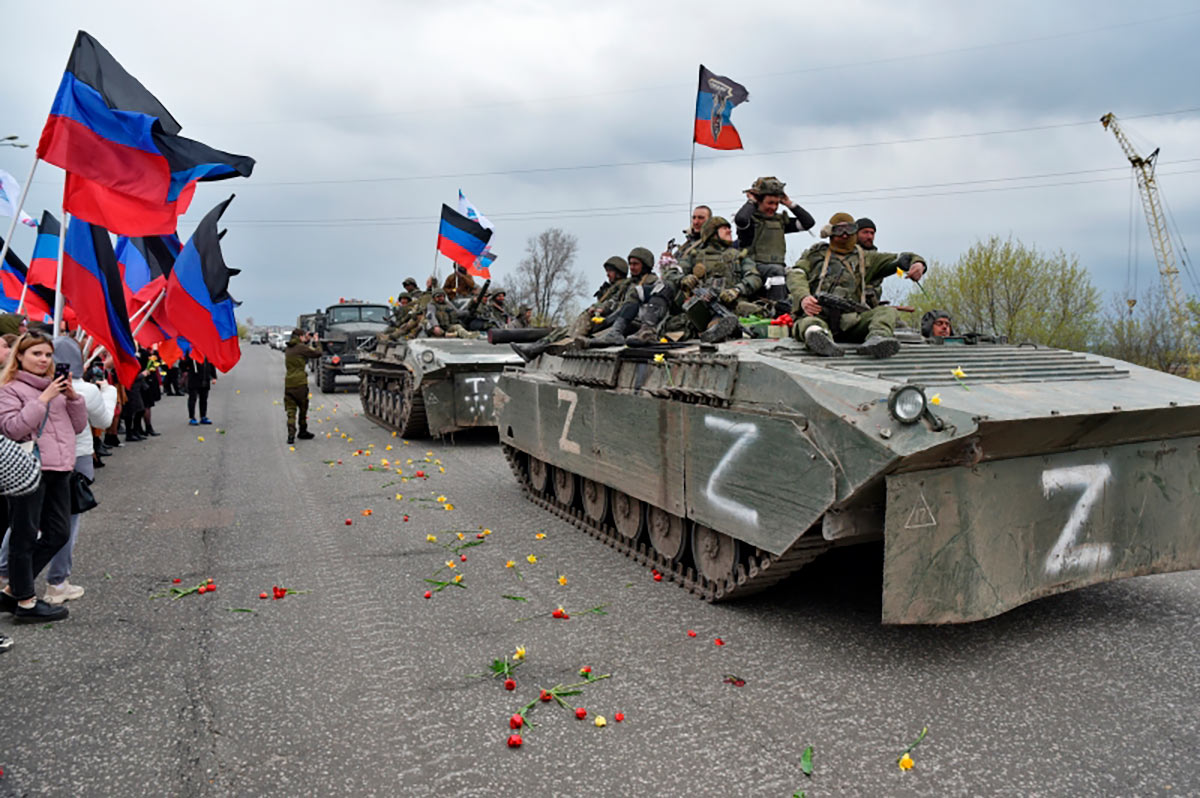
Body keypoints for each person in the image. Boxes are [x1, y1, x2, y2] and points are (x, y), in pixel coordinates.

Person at [0, 337, 117, 606]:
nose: (43, 359)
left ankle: (16, 588)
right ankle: (25, 600)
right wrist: (43, 399)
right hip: (29, 470)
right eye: (36, 353)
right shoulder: (10, 390)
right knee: (24, 534)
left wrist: (73, 399)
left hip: (62, 469)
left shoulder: (58, 388)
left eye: (48, 354)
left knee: (59, 533)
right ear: (19, 356)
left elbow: (77, 427)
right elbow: (13, 428)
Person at [788, 213, 927, 359]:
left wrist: (917, 264)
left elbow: (903, 258)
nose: (845, 235)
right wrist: (804, 297)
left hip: (852, 322)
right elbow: (796, 274)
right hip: (819, 314)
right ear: (829, 232)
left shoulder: (866, 258)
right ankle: (819, 338)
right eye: (839, 230)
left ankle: (877, 339)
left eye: (849, 230)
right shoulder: (814, 255)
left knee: (886, 312)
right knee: (808, 323)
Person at [734, 176, 816, 314]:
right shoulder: (750, 222)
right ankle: (779, 312)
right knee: (776, 271)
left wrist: (789, 204)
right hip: (754, 268)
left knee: (796, 275)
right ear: (758, 201)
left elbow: (808, 223)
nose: (773, 207)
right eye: (770, 203)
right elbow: (740, 219)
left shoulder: (779, 221)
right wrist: (751, 201)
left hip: (777, 268)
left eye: (777, 203)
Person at [676, 216, 762, 342]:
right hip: (702, 307)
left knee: (746, 312)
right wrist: (684, 279)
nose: (729, 231)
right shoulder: (695, 256)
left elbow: (755, 277)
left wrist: (737, 290)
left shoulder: (738, 256)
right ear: (712, 232)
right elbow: (672, 272)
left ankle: (716, 329)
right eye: (724, 228)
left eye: (729, 228)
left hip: (731, 306)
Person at [592, 247, 672, 345]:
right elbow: (615, 300)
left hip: (638, 321)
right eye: (630, 264)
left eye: (635, 264)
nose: (632, 267)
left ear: (645, 265)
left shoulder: (654, 283)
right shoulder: (628, 283)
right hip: (621, 317)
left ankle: (641, 332)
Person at [283, 328, 321, 444]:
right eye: (304, 336)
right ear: (300, 337)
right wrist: (316, 341)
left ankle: (290, 435)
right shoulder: (301, 348)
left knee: (290, 410)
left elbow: (301, 351)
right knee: (303, 408)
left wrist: (306, 341)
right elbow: (317, 353)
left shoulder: (288, 348)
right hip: (300, 383)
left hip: (289, 383)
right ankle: (302, 431)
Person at [182, 353, 217, 425]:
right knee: (193, 398)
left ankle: (203, 416)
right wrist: (189, 361)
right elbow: (183, 365)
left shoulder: (207, 352)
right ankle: (192, 417)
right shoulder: (191, 352)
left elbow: (211, 364)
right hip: (194, 379)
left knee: (204, 398)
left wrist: (214, 376)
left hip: (205, 378)